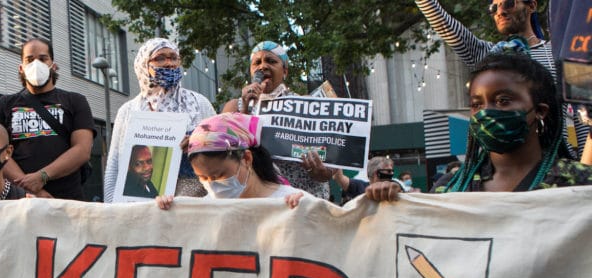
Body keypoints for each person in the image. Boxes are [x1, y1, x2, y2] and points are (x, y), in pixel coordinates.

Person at [367, 51, 592, 201]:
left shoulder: (580, 184)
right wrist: (393, 204)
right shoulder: (450, 189)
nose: (486, 111)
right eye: (476, 104)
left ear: (540, 111)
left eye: (503, 101)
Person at [416, 0, 589, 157]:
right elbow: (444, 24)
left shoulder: (559, 52)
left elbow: (581, 110)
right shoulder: (489, 55)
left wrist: (584, 164)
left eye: (508, 4)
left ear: (531, 6)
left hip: (558, 160)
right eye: (494, 7)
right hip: (506, 162)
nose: (500, 12)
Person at [104, 38, 216, 203]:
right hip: (143, 205)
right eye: (160, 58)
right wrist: (111, 208)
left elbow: (221, 148)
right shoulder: (128, 111)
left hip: (192, 203)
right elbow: (115, 163)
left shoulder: (199, 104)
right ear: (144, 65)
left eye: (174, 57)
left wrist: (197, 143)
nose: (169, 63)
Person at [221, 41, 334, 200]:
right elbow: (226, 153)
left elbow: (330, 163)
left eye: (271, 61)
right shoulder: (235, 107)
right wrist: (245, 109)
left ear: (285, 71)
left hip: (300, 199)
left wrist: (321, 172)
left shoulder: (306, 105)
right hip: (258, 200)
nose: (263, 66)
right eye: (257, 63)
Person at [0, 38, 95, 200]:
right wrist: (32, 190)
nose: (36, 64)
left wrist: (42, 176)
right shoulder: (3, 105)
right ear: (21, 68)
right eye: (29, 60)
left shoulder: (75, 101)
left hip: (67, 200)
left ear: (53, 65)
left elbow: (82, 150)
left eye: (43, 59)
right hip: (20, 201)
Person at [156, 113, 305, 210]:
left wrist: (306, 211)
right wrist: (168, 212)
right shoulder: (204, 207)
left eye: (219, 175)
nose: (213, 186)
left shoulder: (290, 202)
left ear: (246, 159)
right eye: (203, 178)